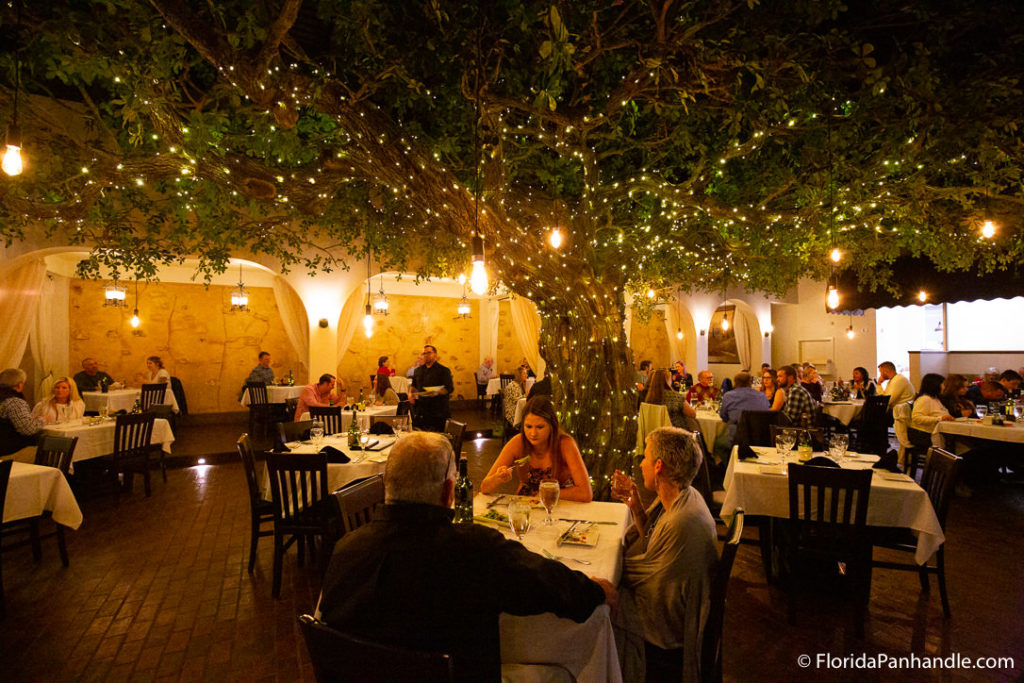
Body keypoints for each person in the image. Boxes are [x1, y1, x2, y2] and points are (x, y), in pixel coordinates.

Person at [317, 431, 615, 682]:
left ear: (387, 485)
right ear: (449, 491)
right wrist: (595, 589)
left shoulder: (345, 548)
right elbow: (548, 584)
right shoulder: (474, 550)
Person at [610, 427, 718, 683]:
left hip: (667, 629)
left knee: (598, 608)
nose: (641, 463)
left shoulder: (682, 522)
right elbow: (653, 544)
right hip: (673, 603)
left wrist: (610, 581)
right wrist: (636, 506)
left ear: (658, 466)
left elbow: (651, 582)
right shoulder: (684, 495)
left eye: (645, 458)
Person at [481, 395, 593, 502]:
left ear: (552, 425)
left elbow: (585, 493)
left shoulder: (565, 444)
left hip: (562, 503)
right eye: (528, 426)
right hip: (528, 504)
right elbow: (484, 487)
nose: (533, 433)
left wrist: (545, 494)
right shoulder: (517, 443)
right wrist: (498, 478)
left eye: (540, 427)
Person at [1, 368, 45, 457]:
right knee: (48, 451)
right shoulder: (14, 402)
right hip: (11, 451)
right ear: (19, 385)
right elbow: (27, 429)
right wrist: (43, 420)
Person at [410, 345, 454, 432]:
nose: (426, 355)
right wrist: (410, 394)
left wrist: (438, 392)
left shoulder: (444, 370)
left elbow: (449, 388)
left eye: (429, 353)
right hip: (422, 410)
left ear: (435, 355)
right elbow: (414, 386)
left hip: (438, 410)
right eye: (424, 353)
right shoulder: (418, 371)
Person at [719, 371, 770, 443]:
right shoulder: (762, 396)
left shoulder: (729, 396)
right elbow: (767, 414)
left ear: (735, 383)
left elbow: (724, 416)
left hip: (737, 436)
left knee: (719, 439)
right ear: (750, 382)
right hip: (760, 435)